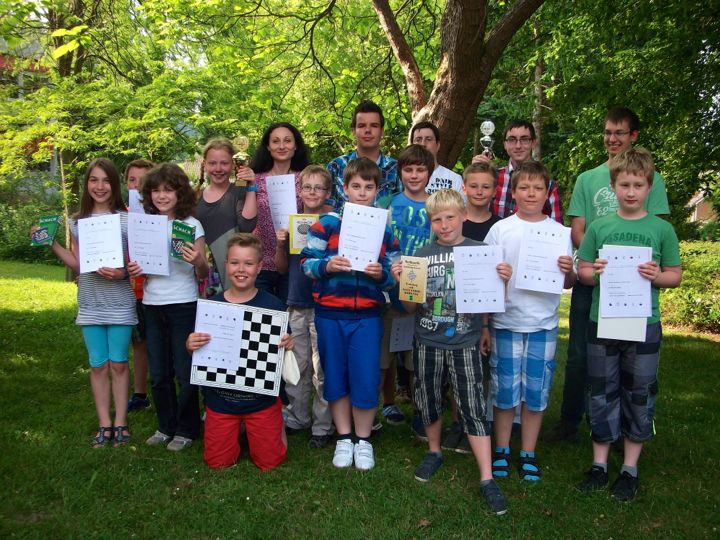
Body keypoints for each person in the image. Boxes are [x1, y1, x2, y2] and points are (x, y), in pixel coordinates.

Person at [548, 107, 671, 442]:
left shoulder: (653, 178)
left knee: (628, 361)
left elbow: (656, 230)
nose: (612, 139)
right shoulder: (588, 179)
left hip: (632, 288)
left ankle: (622, 429)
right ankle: (570, 421)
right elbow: (578, 229)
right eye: (607, 132)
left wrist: (631, 270)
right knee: (579, 356)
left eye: (619, 133)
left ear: (634, 136)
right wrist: (597, 261)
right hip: (593, 279)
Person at [391, 189, 512, 515]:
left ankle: (487, 476)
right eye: (437, 219)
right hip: (427, 340)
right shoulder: (421, 255)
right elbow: (409, 307)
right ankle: (434, 451)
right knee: (428, 398)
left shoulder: (480, 252)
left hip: (465, 342)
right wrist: (402, 283)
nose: (444, 225)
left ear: (463, 216)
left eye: (450, 217)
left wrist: (503, 281)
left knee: (472, 404)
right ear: (430, 222)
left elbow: (492, 299)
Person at [575, 147, 681, 501]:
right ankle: (599, 464)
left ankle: (630, 468)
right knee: (601, 389)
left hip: (643, 323)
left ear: (650, 187)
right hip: (603, 321)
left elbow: (675, 274)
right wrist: (594, 271)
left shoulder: (662, 229)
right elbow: (583, 271)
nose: (631, 192)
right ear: (613, 186)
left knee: (639, 391)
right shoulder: (600, 227)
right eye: (624, 185)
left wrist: (657, 276)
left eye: (638, 185)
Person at [301, 157, 399, 470]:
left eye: (368, 187)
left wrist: (381, 275)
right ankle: (344, 437)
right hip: (330, 313)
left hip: (367, 317)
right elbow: (306, 262)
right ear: (345, 188)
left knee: (366, 376)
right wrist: (327, 265)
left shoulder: (385, 229)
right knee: (335, 375)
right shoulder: (327, 223)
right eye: (356, 186)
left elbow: (394, 274)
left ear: (377, 190)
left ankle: (363, 439)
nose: (362, 192)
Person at [484, 161, 575, 482]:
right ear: (513, 192)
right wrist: (497, 274)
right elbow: (484, 278)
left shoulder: (559, 233)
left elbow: (568, 283)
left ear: (548, 192)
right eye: (524, 187)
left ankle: (528, 452)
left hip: (543, 324)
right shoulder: (501, 230)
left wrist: (568, 271)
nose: (531, 193)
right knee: (504, 391)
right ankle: (502, 449)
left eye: (538, 188)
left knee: (536, 392)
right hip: (506, 321)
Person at [41, 158, 137, 448]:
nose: (100, 186)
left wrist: (122, 273)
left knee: (119, 364)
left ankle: (121, 422)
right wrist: (51, 243)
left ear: (114, 185)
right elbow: (79, 263)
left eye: (106, 180)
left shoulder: (127, 219)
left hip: (120, 300)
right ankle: (104, 423)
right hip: (90, 300)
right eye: (94, 180)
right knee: (98, 365)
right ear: (87, 184)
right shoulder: (77, 221)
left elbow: (136, 263)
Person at [187, 233, 294, 471]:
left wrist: (288, 343)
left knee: (270, 462)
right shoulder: (212, 307)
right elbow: (199, 351)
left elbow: (284, 347)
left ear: (259, 267)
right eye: (235, 263)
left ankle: (276, 421)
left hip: (260, 400)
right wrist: (190, 344)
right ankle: (236, 427)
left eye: (248, 263)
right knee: (218, 463)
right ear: (226, 265)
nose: (241, 269)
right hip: (221, 401)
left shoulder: (273, 306)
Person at [128, 163, 209, 451]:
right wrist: (136, 269)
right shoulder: (144, 224)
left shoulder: (192, 225)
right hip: (152, 304)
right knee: (159, 373)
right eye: (156, 190)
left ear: (180, 192)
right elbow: (139, 266)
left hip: (184, 304)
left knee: (185, 372)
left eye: (168, 190)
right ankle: (165, 425)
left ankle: (186, 429)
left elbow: (203, 272)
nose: (162, 196)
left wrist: (197, 261)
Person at [441, 161, 504, 453]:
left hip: (484, 310)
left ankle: (476, 422)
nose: (479, 191)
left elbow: (495, 280)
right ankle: (457, 422)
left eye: (486, 186)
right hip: (452, 309)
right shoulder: (452, 223)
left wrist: (486, 325)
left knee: (479, 372)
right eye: (474, 186)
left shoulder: (499, 227)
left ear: (495, 190)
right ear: (463, 188)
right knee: (456, 371)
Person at [274, 165, 333, 448]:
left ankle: (323, 425)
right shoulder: (292, 221)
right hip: (296, 302)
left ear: (328, 192)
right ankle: (298, 417)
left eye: (318, 188)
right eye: (307, 187)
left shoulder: (333, 223)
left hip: (323, 304)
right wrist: (280, 244)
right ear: (299, 191)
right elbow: (281, 268)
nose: (312, 192)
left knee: (322, 367)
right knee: (296, 365)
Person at [380, 145, 435, 429]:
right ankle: (388, 402)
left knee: (417, 355)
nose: (414, 175)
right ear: (400, 172)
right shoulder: (387, 203)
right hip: (390, 287)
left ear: (429, 172)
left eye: (420, 170)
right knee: (386, 352)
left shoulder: (436, 205)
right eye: (408, 169)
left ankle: (418, 406)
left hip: (425, 290)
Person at [246, 122, 310, 305]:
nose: (282, 146)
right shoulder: (255, 178)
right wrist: (251, 185)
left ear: (296, 145)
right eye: (275, 141)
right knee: (260, 315)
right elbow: (247, 220)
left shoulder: (305, 178)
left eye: (287, 141)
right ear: (268, 146)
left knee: (288, 317)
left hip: (294, 261)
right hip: (260, 260)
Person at [195, 138, 257, 292]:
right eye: (212, 163)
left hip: (235, 275)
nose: (218, 169)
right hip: (202, 278)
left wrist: (251, 186)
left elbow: (247, 226)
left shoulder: (240, 191)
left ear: (234, 165)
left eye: (224, 163)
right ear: (204, 164)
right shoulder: (194, 197)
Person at [472, 120, 563, 223]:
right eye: (512, 140)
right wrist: (475, 175)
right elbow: (472, 213)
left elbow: (557, 227)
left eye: (524, 139)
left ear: (533, 143)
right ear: (505, 144)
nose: (518, 146)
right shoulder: (493, 178)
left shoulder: (547, 184)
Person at [327, 100, 400, 210]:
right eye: (361, 126)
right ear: (353, 131)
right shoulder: (336, 167)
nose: (368, 130)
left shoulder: (397, 169)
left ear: (382, 131)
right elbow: (325, 208)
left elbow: (404, 209)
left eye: (374, 125)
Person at [124, 159, 155, 412]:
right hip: (130, 289)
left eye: (143, 181)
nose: (137, 186)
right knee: (139, 341)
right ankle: (140, 392)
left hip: (156, 290)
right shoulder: (121, 216)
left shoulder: (163, 213)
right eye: (132, 180)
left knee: (161, 342)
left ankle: (167, 386)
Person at [409, 121, 463, 195]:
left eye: (428, 139)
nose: (423, 144)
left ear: (437, 145)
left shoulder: (454, 179)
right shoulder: (401, 178)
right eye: (418, 140)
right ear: (411, 146)